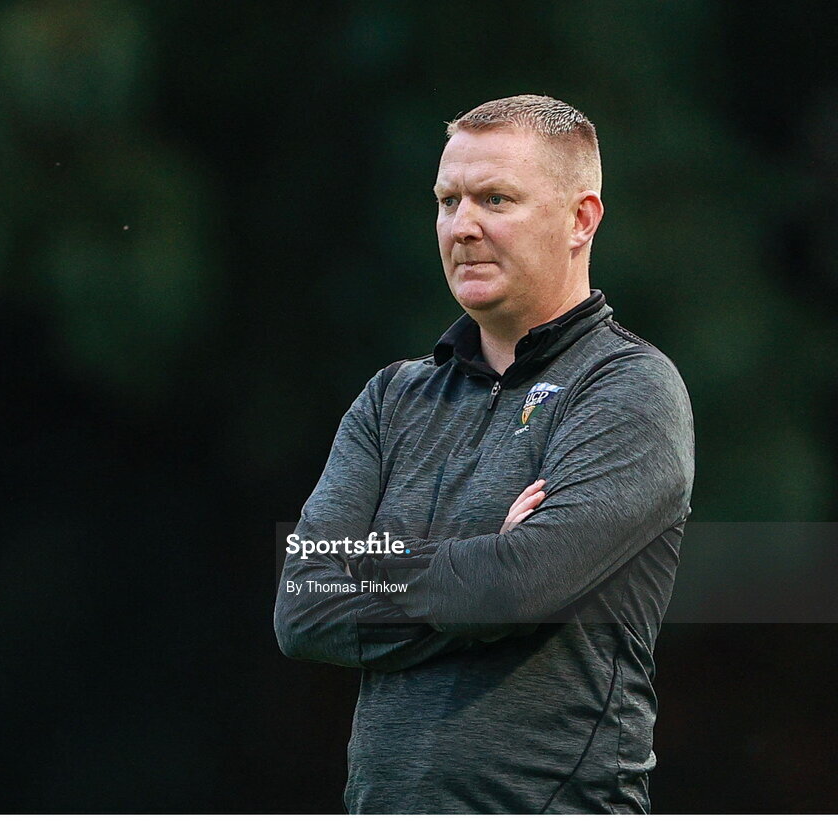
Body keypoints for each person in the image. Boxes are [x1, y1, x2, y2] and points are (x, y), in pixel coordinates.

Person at [274, 94, 695, 814]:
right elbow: (304, 605)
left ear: (581, 219)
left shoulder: (630, 388)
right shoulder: (391, 398)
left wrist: (382, 574)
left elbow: (519, 587)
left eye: (495, 199)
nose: (461, 226)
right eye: (447, 200)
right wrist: (480, 563)